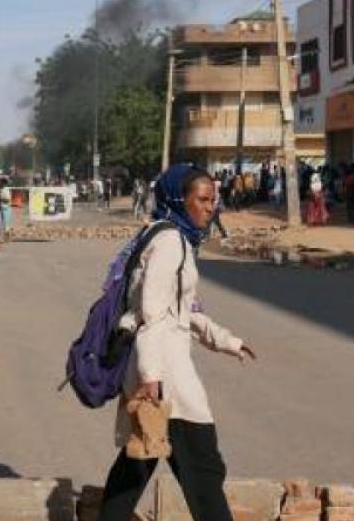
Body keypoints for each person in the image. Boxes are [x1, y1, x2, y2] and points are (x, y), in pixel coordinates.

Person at [98, 165, 255, 521]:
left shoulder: (164, 235)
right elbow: (153, 313)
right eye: (202, 200)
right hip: (165, 376)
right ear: (178, 200)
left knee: (137, 464)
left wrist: (226, 340)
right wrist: (152, 376)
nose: (210, 208)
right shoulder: (170, 243)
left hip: (155, 368)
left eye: (213, 200)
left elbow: (181, 310)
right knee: (203, 468)